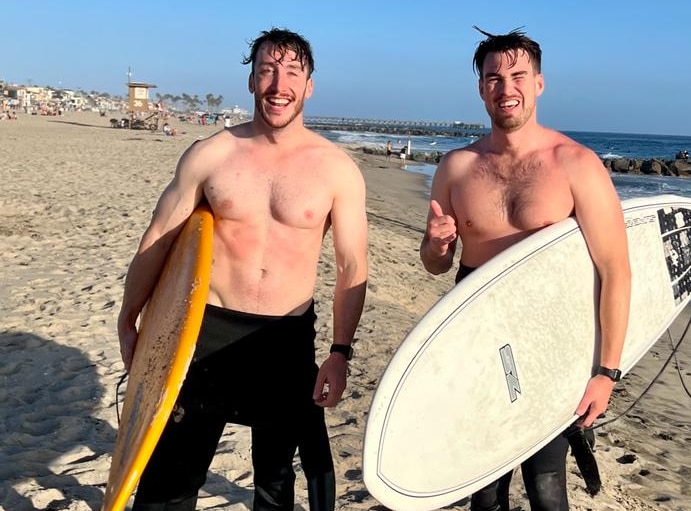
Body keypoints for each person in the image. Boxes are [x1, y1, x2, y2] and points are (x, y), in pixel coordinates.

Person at [117, 28, 368, 511]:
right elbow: (159, 237)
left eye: (292, 72)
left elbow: (351, 266)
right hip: (204, 333)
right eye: (268, 71)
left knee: (275, 485)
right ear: (252, 81)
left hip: (285, 341)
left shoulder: (336, 169)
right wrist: (130, 319)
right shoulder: (211, 155)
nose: (279, 84)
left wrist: (339, 352)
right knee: (169, 484)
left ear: (309, 85)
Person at [420, 27, 631, 511]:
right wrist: (434, 246)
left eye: (518, 75)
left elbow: (616, 270)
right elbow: (436, 265)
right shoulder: (455, 167)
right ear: (481, 89)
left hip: (551, 338)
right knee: (484, 484)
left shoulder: (576, 164)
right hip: (475, 332)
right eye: (493, 78)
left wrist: (606, 372)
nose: (505, 88)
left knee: (546, 482)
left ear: (539, 83)